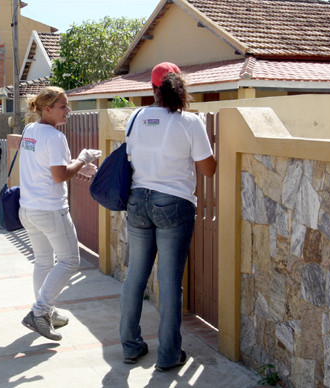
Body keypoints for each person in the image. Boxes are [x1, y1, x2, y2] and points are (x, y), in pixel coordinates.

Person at [119, 62, 217, 371]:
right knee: (170, 281)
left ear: (152, 89)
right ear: (179, 87)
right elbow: (208, 169)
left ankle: (131, 346)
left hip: (137, 201)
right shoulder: (190, 122)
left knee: (135, 275)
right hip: (174, 205)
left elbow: (131, 155)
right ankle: (168, 355)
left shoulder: (135, 118)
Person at [19, 86, 102, 341]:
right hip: (51, 210)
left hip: (29, 209)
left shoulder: (30, 130)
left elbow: (50, 168)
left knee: (44, 262)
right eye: (63, 106)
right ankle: (40, 311)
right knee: (69, 261)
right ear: (47, 109)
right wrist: (83, 159)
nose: (69, 111)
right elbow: (59, 175)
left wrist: (78, 168)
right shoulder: (55, 137)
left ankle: (45, 311)